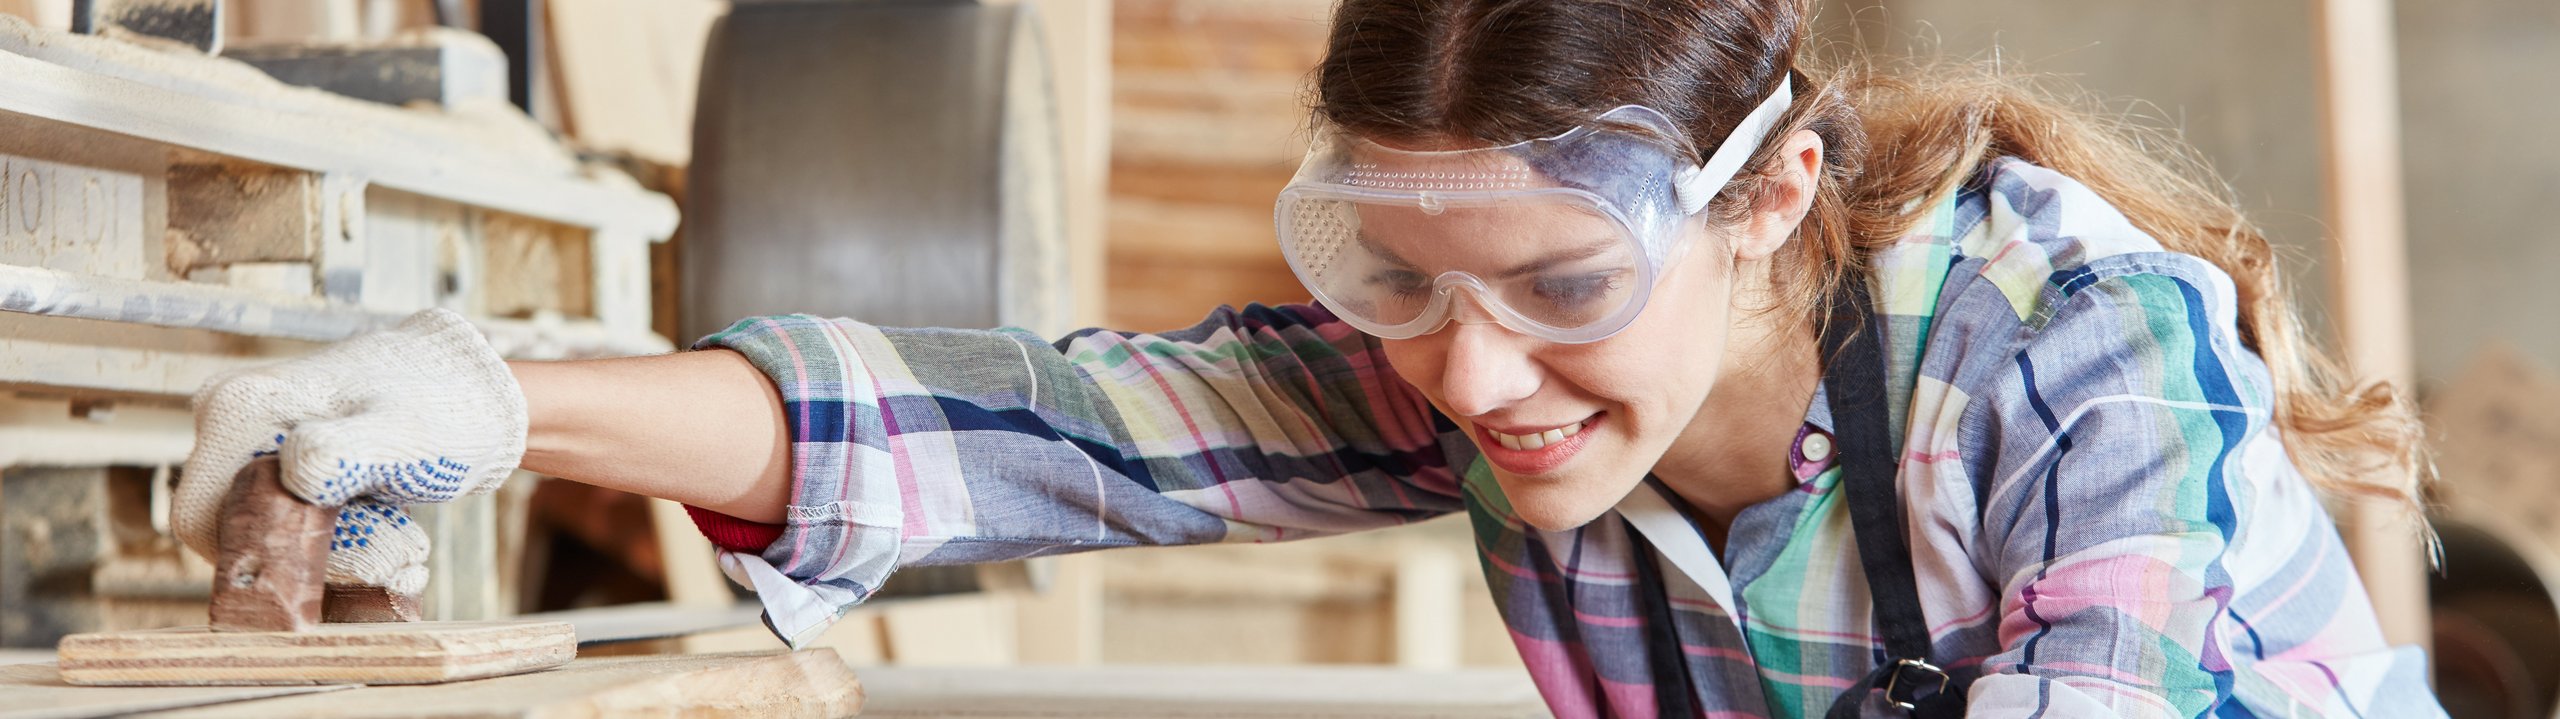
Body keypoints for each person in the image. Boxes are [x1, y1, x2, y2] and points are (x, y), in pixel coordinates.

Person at [172, 0, 2448, 716]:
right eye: (1392, 279)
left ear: (1761, 199)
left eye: (1559, 285)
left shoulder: (2071, 349)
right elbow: (1033, 429)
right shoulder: (1483, 355)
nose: (1465, 379)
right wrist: (493, 395)